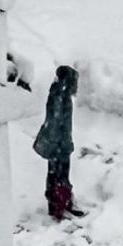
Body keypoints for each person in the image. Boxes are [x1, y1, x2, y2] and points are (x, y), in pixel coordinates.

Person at [33, 65, 80, 221]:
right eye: (74, 81)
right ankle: (60, 207)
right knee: (59, 176)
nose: (76, 86)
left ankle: (59, 205)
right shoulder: (61, 95)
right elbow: (55, 121)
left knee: (56, 175)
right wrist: (58, 144)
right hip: (59, 144)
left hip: (60, 143)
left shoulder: (59, 93)